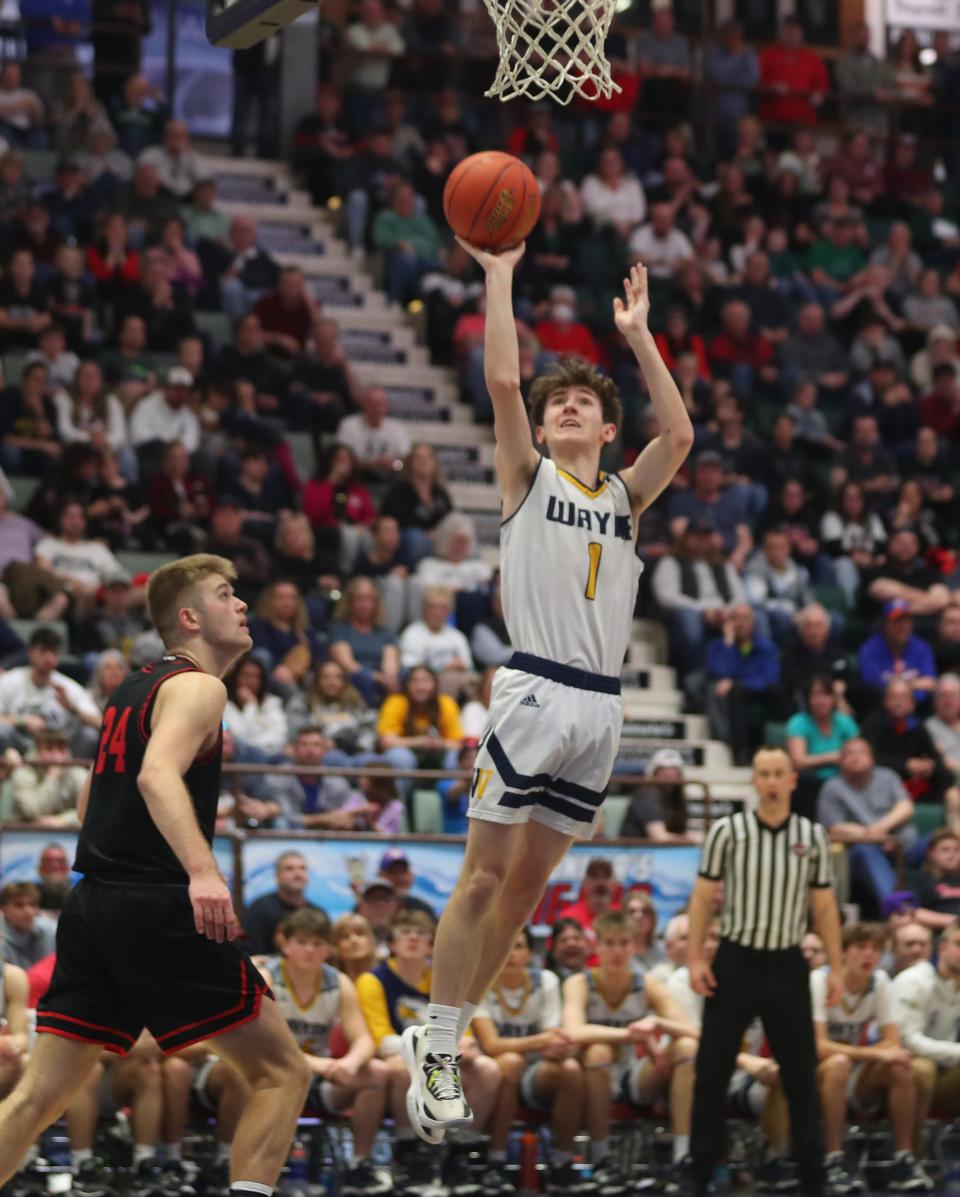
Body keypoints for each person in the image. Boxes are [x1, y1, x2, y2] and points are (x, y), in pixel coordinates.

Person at [401, 252, 693, 1140]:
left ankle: (439, 1033)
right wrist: (499, 275)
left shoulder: (624, 497)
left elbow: (678, 438)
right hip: (534, 689)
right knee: (484, 875)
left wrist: (639, 338)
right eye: (557, 402)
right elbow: (500, 377)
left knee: (526, 892)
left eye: (584, 405)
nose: (567, 407)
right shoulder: (529, 478)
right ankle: (441, 1045)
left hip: (602, 710)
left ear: (608, 430)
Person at [0, 554, 310, 1197]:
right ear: (191, 618)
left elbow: (91, 804)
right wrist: (203, 873)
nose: (243, 604)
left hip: (93, 908)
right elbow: (155, 776)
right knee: (284, 1073)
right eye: (227, 594)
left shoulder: (131, 690)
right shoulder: (201, 687)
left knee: (36, 1099)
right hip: (158, 905)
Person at [687, 747, 843, 1196]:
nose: (772, 782)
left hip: (787, 964)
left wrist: (833, 965)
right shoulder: (727, 831)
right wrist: (697, 958)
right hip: (735, 960)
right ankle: (702, 1167)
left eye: (779, 774)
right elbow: (702, 897)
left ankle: (812, 1171)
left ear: (793, 780)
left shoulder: (812, 836)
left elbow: (825, 905)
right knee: (711, 1070)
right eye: (764, 774)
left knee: (800, 1073)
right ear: (753, 781)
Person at [196, 909, 391, 1197]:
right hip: (267, 1071)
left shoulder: (339, 983)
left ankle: (358, 1165)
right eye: (302, 941)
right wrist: (320, 1064)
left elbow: (362, 1039)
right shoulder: (266, 976)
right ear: (285, 943)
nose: (310, 950)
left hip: (314, 1077)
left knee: (377, 1073)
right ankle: (226, 1160)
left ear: (328, 947)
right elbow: (260, 1046)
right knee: (241, 1074)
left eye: (318, 943)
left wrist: (350, 1062)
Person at [562, 910, 699, 1190]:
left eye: (624, 943)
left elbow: (692, 1030)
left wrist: (658, 1022)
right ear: (596, 946)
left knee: (687, 1046)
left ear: (635, 946)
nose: (617, 951)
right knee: (598, 1051)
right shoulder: (579, 983)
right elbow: (573, 1030)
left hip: (633, 1078)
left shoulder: (646, 983)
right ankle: (601, 1158)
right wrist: (630, 1034)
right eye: (609, 943)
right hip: (588, 1078)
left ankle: (683, 1156)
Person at [811, 922, 931, 1193]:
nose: (869, 955)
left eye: (876, 949)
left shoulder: (880, 982)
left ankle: (904, 1159)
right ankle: (834, 1160)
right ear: (843, 952)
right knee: (838, 1064)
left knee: (901, 1066)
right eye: (861, 948)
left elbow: (892, 1042)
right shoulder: (819, 980)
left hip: (855, 1072)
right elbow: (818, 1046)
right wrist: (873, 1053)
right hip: (817, 1073)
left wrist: (881, 1054)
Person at [472, 929, 589, 1196]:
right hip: (492, 1076)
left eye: (519, 946)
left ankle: (562, 1160)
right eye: (504, 946)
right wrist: (539, 1042)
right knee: (510, 1061)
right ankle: (497, 1160)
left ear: (530, 953)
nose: (511, 953)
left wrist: (556, 1047)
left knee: (570, 1069)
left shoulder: (546, 981)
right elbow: (491, 1045)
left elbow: (552, 1039)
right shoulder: (478, 984)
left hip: (536, 1073)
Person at [892, 918, 960, 1154]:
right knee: (921, 1069)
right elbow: (908, 1041)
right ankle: (911, 1157)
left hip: (944, 1072)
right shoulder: (914, 980)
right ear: (942, 948)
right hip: (898, 1070)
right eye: (959, 944)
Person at [241, 850, 319, 956]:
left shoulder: (317, 913)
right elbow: (252, 954)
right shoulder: (260, 909)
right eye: (289, 868)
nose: (298, 873)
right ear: (277, 876)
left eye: (303, 868)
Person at [0, 883, 57, 968]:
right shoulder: (1, 939)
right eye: (19, 905)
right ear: (3, 910)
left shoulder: (52, 930)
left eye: (32, 905)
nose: (28, 911)